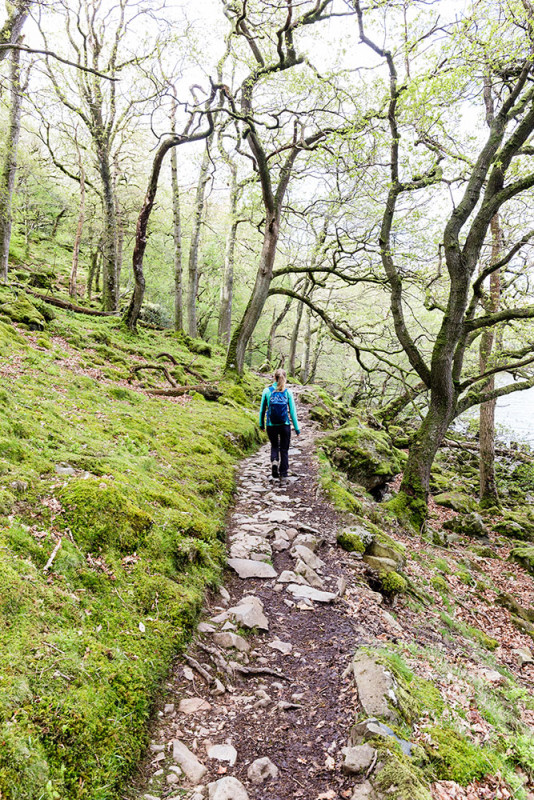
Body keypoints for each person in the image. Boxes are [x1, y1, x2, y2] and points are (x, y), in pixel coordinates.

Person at [259, 368, 300, 485]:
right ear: (285, 378)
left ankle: (275, 461)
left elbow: (262, 410)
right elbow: (292, 412)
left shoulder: (267, 391)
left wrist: (261, 424)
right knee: (284, 449)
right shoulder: (288, 392)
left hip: (271, 425)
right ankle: (283, 474)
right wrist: (297, 429)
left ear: (274, 377)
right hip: (284, 425)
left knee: (274, 446)